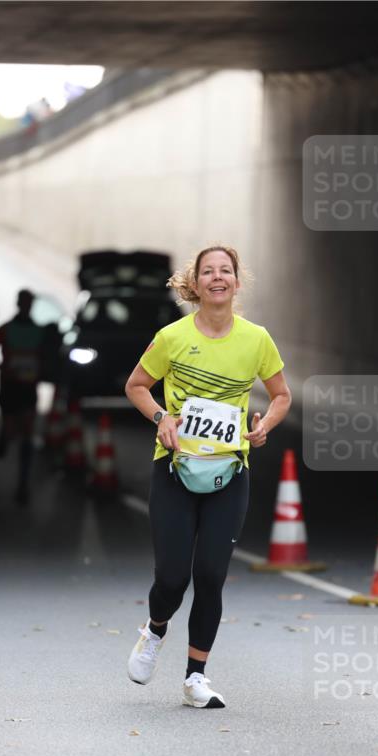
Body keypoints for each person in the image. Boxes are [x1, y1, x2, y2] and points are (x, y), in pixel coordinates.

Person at [124, 245, 291, 709]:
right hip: (175, 468)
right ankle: (155, 630)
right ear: (195, 284)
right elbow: (135, 385)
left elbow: (281, 396)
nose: (218, 278)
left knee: (212, 574)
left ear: (238, 282)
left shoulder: (256, 339)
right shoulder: (172, 337)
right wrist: (162, 416)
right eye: (208, 272)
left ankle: (196, 677)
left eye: (226, 271)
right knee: (174, 577)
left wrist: (263, 427)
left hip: (230, 471)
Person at [0, 289, 45, 505]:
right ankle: (5, 435)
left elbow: (47, 356)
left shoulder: (39, 331)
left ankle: (23, 484)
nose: (27, 306)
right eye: (25, 303)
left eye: (29, 303)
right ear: (19, 304)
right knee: (12, 429)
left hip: (27, 389)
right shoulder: (7, 329)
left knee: (27, 434)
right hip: (9, 387)